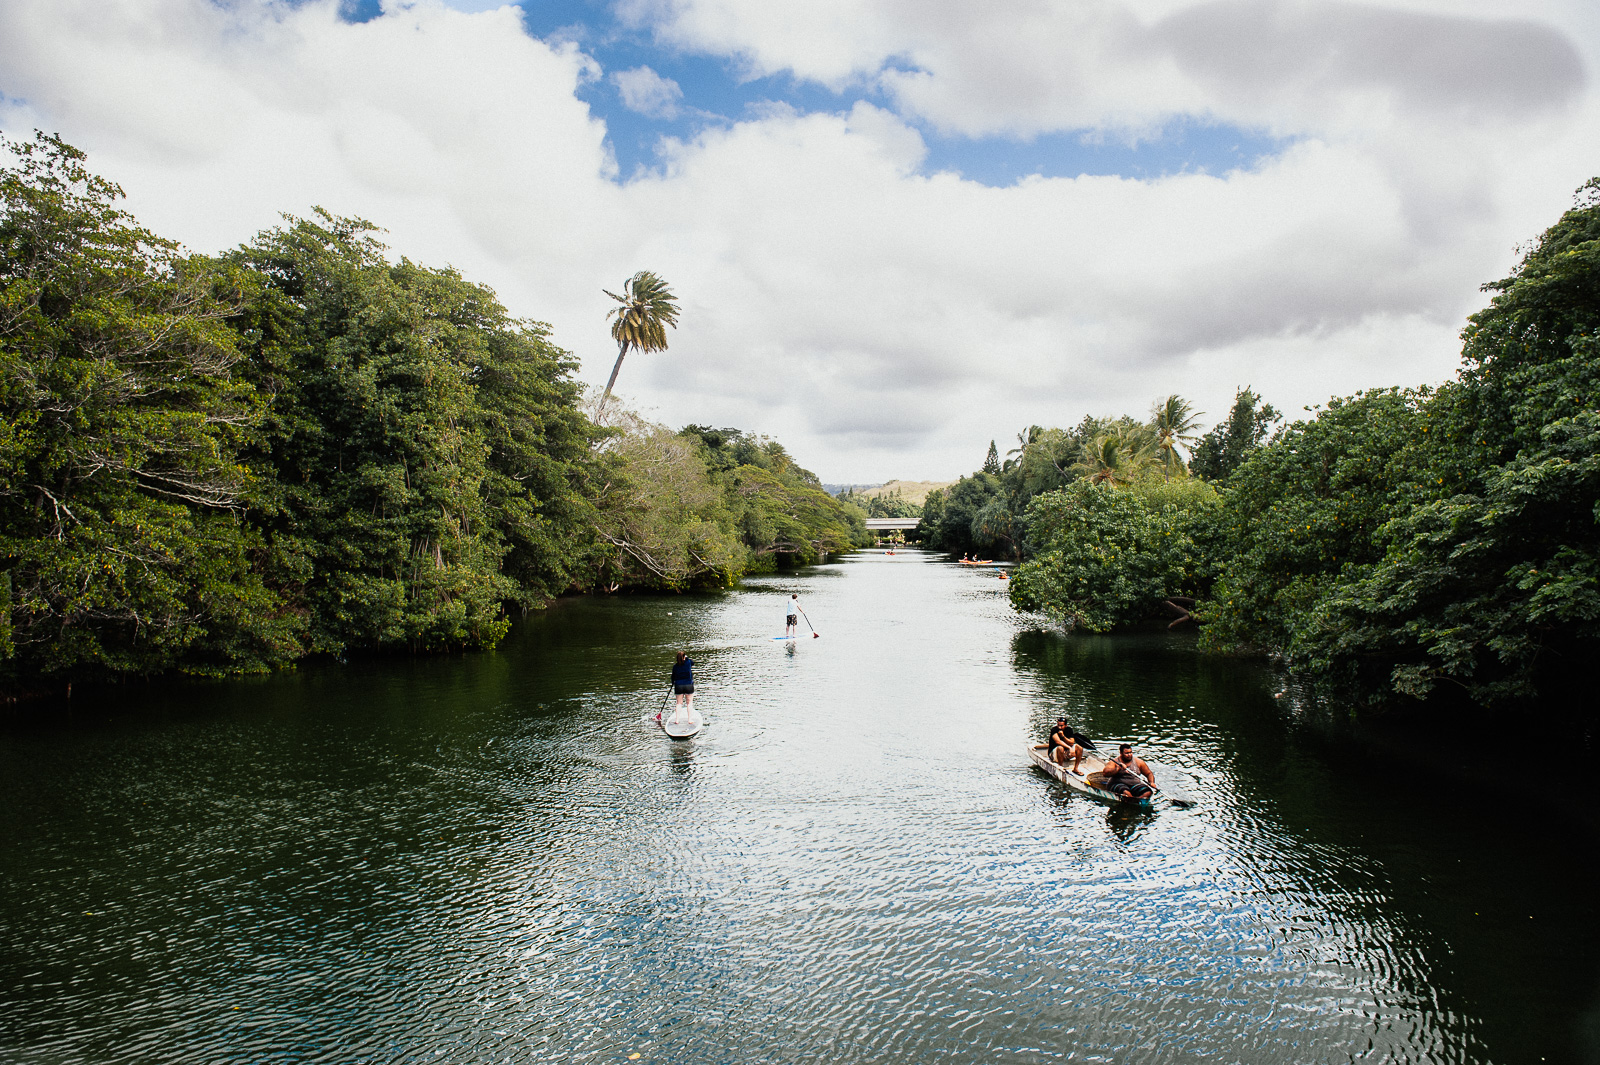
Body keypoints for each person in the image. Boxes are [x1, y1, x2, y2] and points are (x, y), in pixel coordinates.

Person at [669, 651, 694, 720]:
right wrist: (686, 658)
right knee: (689, 703)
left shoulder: (675, 667)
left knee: (679, 703)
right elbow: (692, 662)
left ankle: (677, 720)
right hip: (688, 685)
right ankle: (690, 719)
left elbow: (673, 677)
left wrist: (672, 683)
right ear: (683, 658)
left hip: (678, 686)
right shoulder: (688, 663)